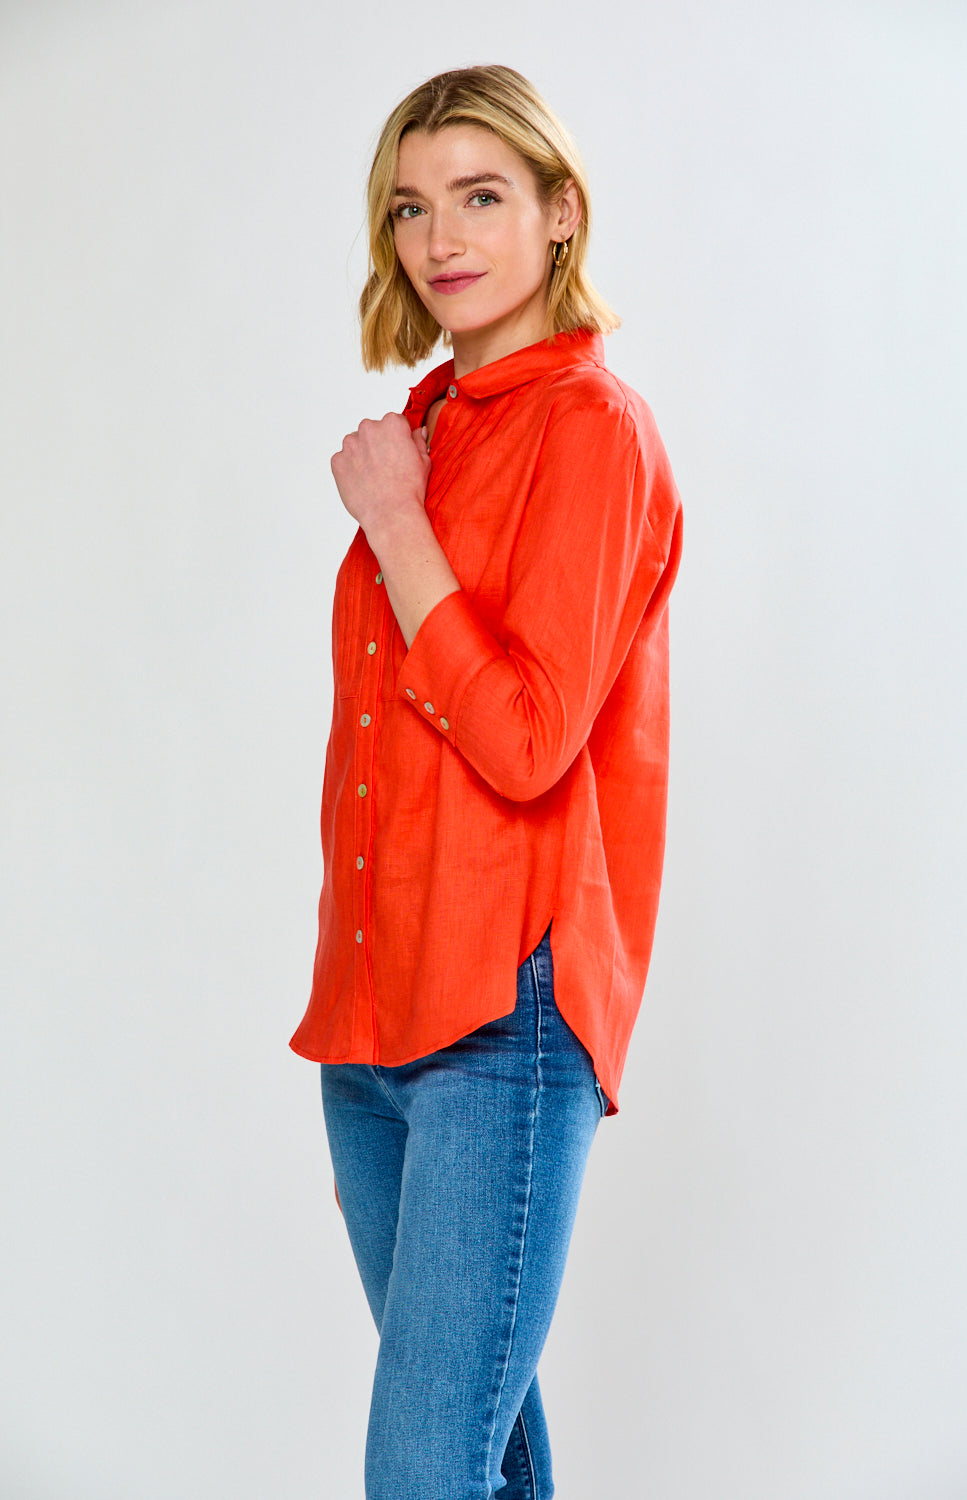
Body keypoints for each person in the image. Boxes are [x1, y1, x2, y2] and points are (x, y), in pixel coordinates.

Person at [290, 64, 682, 1500]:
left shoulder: (591, 427)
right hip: (372, 1022)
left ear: (560, 214)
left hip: (501, 1023)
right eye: (409, 206)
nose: (439, 238)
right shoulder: (438, 423)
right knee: (483, 1456)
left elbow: (526, 738)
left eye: (481, 196)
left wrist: (394, 523)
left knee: (424, 1468)